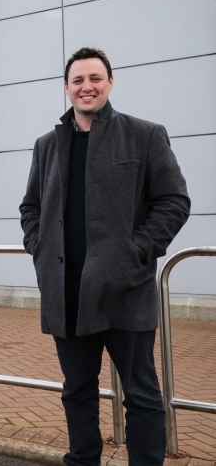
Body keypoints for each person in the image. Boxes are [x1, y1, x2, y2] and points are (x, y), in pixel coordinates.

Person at [20, 47, 190, 465]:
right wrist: (40, 250)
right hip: (66, 293)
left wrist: (136, 253)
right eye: (77, 80)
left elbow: (173, 201)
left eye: (95, 78)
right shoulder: (47, 145)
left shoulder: (144, 134)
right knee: (77, 391)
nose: (86, 87)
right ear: (66, 88)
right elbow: (31, 209)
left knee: (143, 394)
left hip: (125, 290)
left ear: (110, 83)